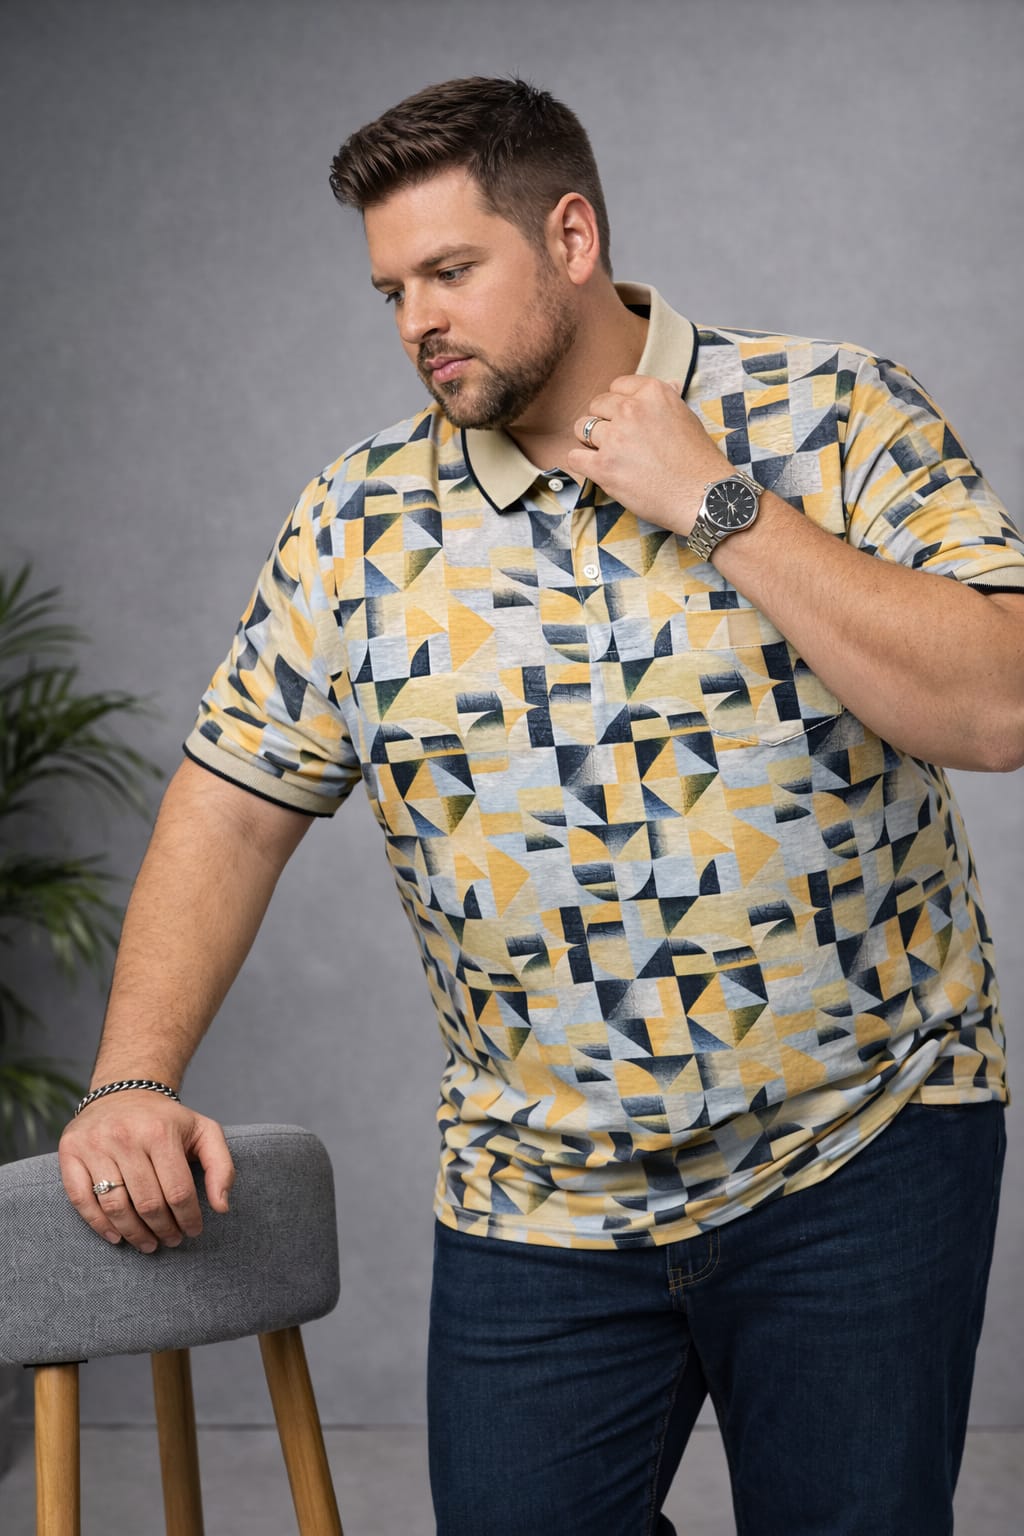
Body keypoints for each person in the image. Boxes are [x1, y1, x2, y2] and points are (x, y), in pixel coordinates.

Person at [59, 77, 1023, 1535]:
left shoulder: (832, 412)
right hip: (540, 1196)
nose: (417, 322)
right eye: (392, 290)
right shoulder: (358, 522)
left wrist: (717, 502)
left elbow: (998, 707)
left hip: (863, 1149)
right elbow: (235, 805)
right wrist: (132, 1077)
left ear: (571, 236)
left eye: (451, 271)